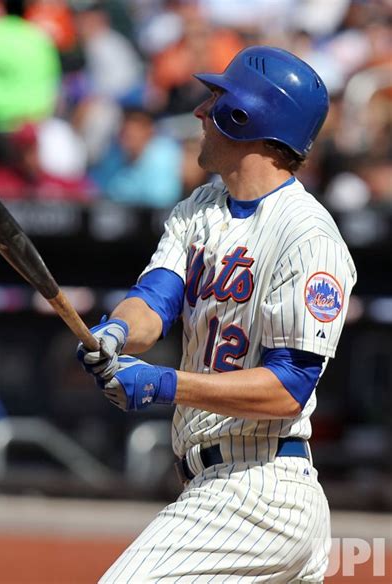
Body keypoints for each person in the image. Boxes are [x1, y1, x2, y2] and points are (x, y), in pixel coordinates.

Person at [78, 45, 357, 582]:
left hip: (259, 489)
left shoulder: (307, 236)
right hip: (220, 482)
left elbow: (287, 387)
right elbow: (156, 300)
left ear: (246, 117)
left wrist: (163, 384)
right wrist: (115, 331)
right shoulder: (200, 207)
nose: (202, 112)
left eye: (217, 100)